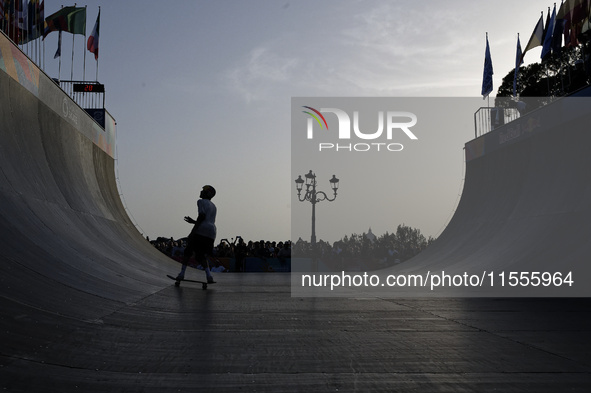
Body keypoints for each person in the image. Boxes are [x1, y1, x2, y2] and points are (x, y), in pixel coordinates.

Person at [175, 185, 217, 283]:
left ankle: (181, 274)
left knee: (188, 252)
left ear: (207, 193)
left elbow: (201, 217)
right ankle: (209, 276)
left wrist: (193, 231)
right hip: (212, 232)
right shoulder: (214, 206)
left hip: (201, 231)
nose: (201, 192)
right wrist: (193, 221)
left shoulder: (200, 202)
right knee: (200, 256)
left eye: (203, 191)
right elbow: (207, 221)